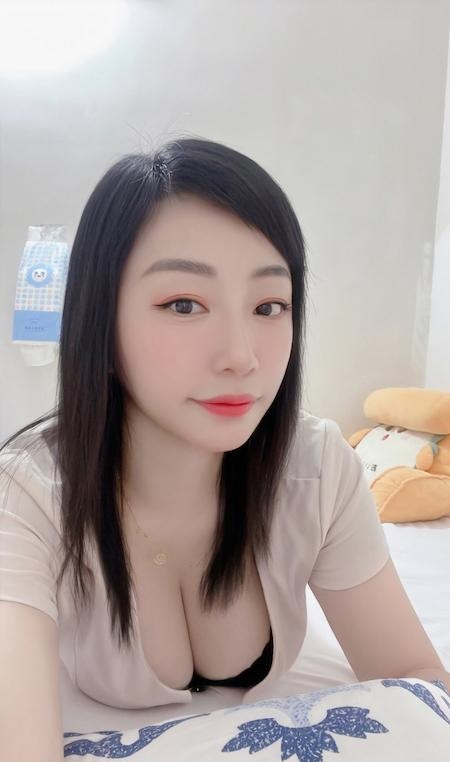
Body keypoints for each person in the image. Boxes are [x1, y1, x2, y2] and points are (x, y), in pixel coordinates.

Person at [0, 136, 448, 762]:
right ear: (100, 320)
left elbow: (415, 685)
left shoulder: (316, 468)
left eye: (269, 305)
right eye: (184, 304)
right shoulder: (27, 496)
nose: (241, 356)